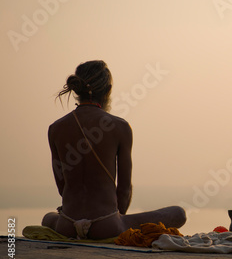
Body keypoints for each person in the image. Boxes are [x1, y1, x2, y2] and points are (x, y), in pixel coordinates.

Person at [42, 60, 186, 239]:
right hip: (106, 225)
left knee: (48, 218)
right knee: (178, 213)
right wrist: (116, 220)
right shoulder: (120, 127)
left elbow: (62, 186)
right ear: (108, 90)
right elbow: (124, 190)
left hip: (67, 225)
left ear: (76, 89)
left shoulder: (55, 128)